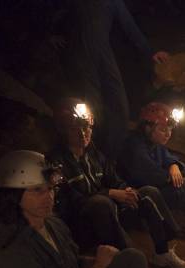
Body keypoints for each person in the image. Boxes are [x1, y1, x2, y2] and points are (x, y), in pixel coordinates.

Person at [0, 150, 146, 268]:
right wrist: (100, 265)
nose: (48, 197)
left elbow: (71, 264)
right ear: (14, 195)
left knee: (132, 260)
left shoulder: (53, 224)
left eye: (50, 189)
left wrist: (103, 262)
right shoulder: (12, 250)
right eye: (37, 190)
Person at [47, 97, 185, 268]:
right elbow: (70, 202)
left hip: (110, 213)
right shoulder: (56, 162)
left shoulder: (94, 154)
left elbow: (113, 179)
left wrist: (125, 190)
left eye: (87, 127)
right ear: (63, 130)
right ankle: (129, 261)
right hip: (81, 224)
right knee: (101, 203)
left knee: (147, 192)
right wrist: (111, 194)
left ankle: (162, 252)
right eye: (75, 128)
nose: (83, 133)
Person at [54, 0, 170, 158]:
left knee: (119, 105)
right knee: (91, 105)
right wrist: (53, 34)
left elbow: (129, 26)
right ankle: (89, 156)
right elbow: (58, 12)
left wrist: (150, 51)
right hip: (80, 51)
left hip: (102, 52)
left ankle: (112, 157)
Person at [118, 102, 185, 220]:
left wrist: (174, 165)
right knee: (183, 184)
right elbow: (156, 176)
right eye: (163, 129)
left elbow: (169, 158)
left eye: (170, 129)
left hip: (153, 190)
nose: (168, 134)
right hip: (136, 200)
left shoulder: (155, 145)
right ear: (147, 127)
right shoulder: (134, 146)